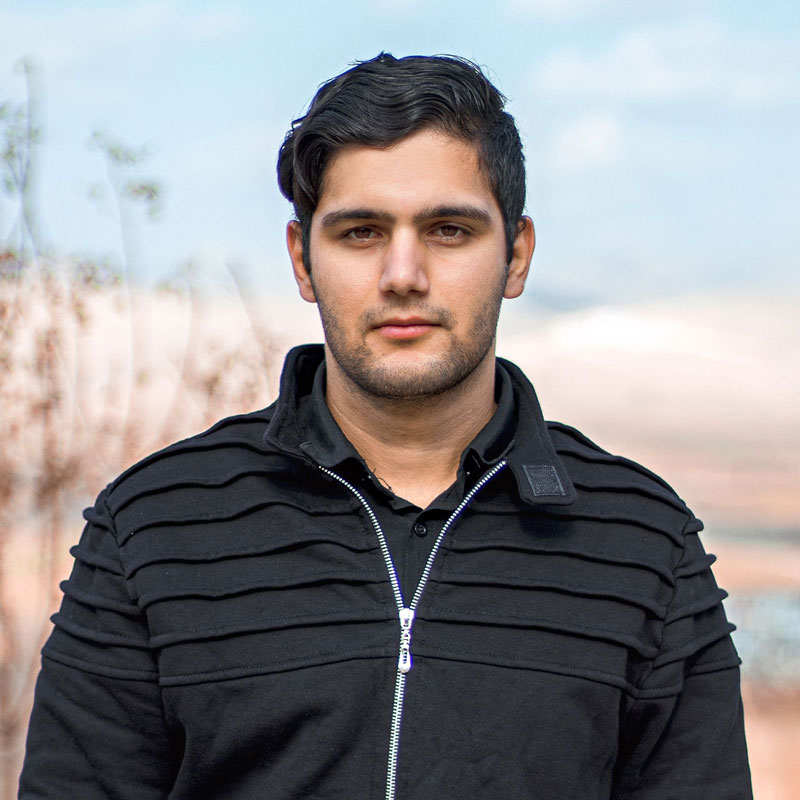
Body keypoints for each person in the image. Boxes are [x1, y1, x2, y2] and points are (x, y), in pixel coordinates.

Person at [19, 53, 752, 799]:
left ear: (516, 255)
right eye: (362, 232)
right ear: (302, 260)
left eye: (449, 230)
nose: (403, 274)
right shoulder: (155, 527)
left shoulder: (644, 544)